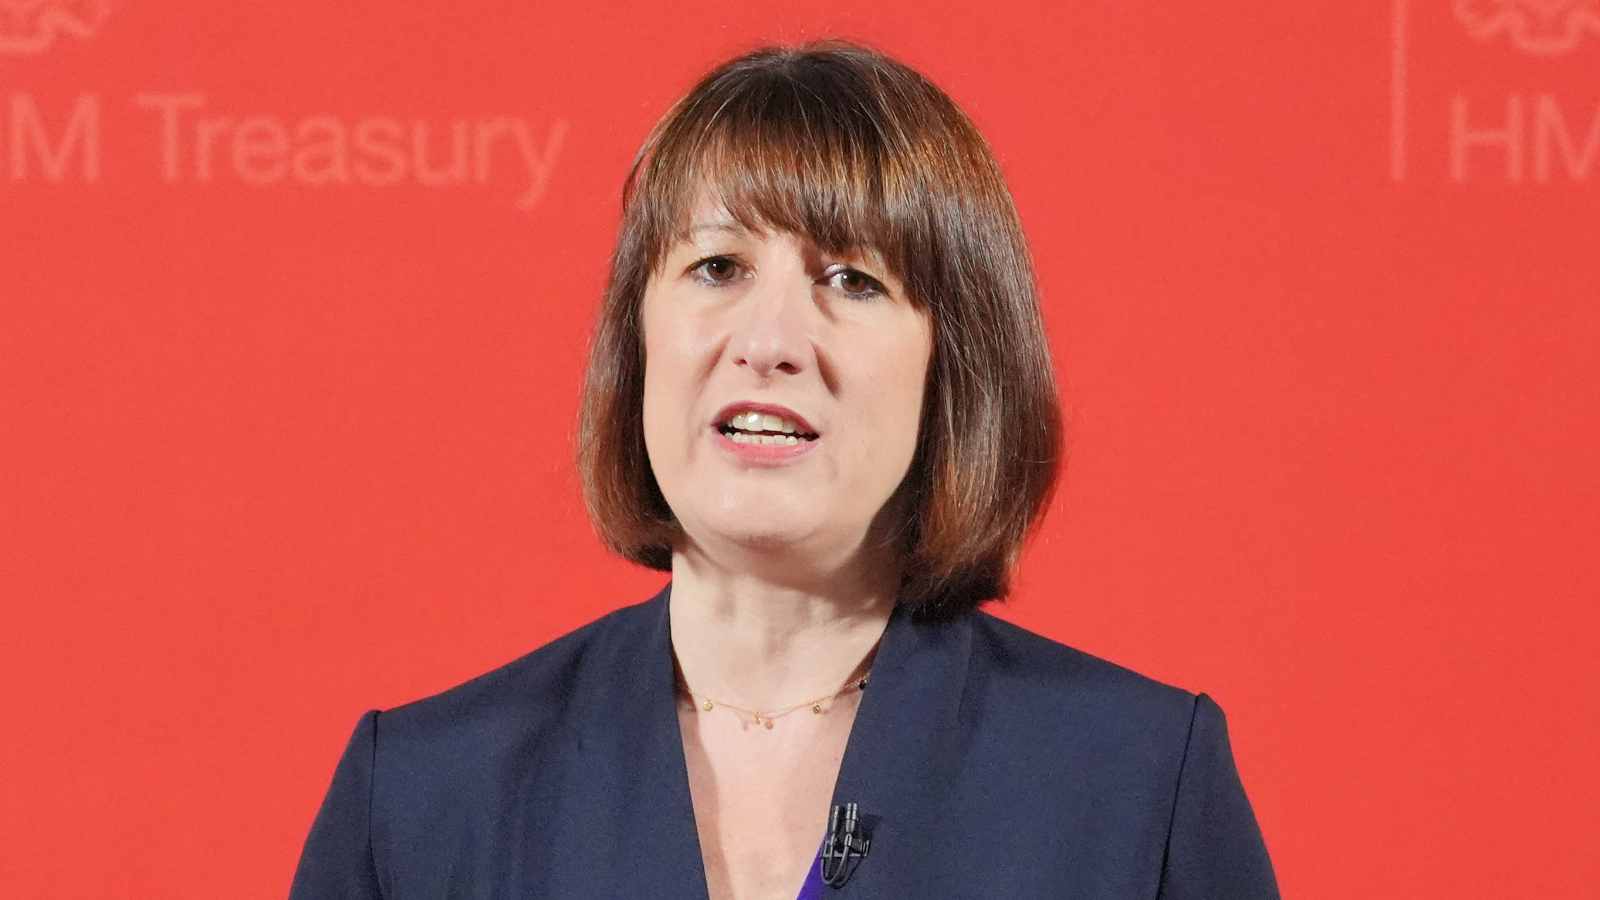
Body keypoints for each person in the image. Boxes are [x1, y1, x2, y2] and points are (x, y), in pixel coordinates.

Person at [288, 40, 1280, 900]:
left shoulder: (1138, 785)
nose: (768, 342)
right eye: (717, 268)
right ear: (639, 339)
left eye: (852, 279)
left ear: (954, 365)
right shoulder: (418, 799)